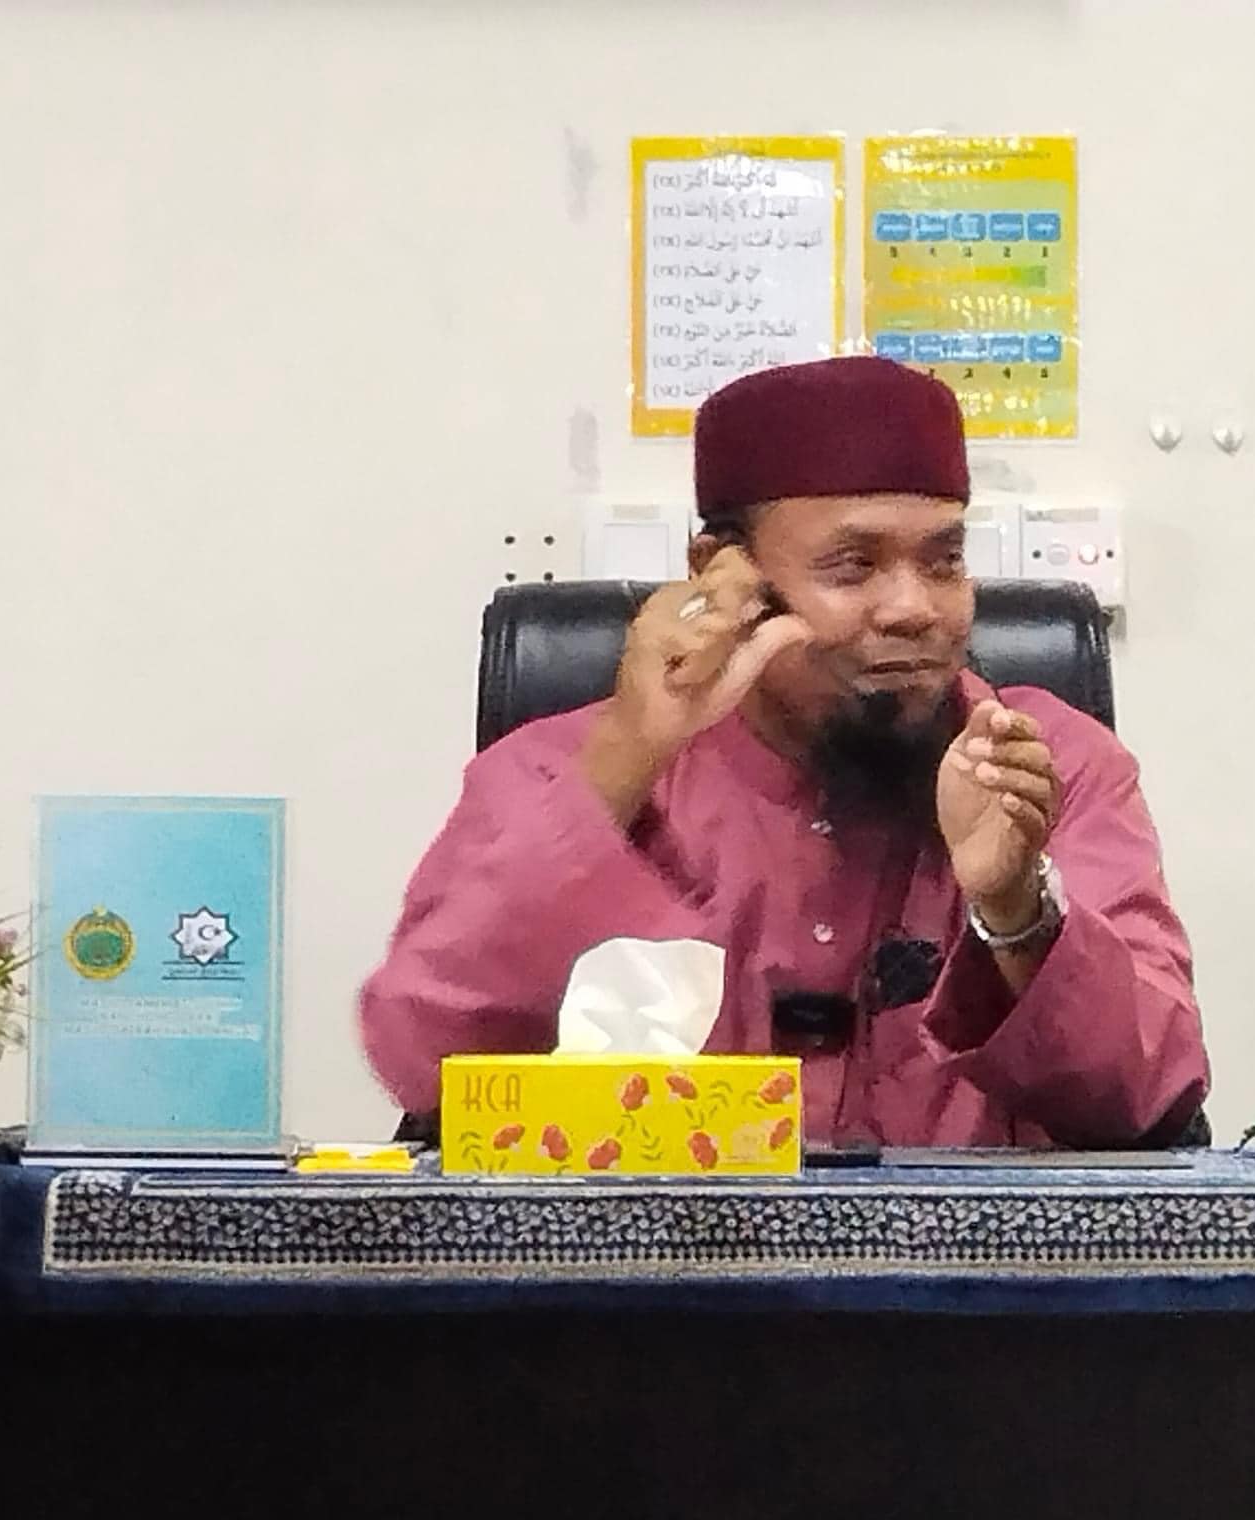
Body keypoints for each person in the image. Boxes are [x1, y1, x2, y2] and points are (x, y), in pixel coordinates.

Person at [361, 356, 1208, 1148]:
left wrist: (1019, 911)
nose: (914, 609)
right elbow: (424, 1060)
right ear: (721, 575)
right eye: (853, 566)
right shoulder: (562, 766)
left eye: (944, 562)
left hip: (971, 1262)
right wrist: (623, 762)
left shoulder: (1042, 763)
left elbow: (1157, 1098)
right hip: (665, 1258)